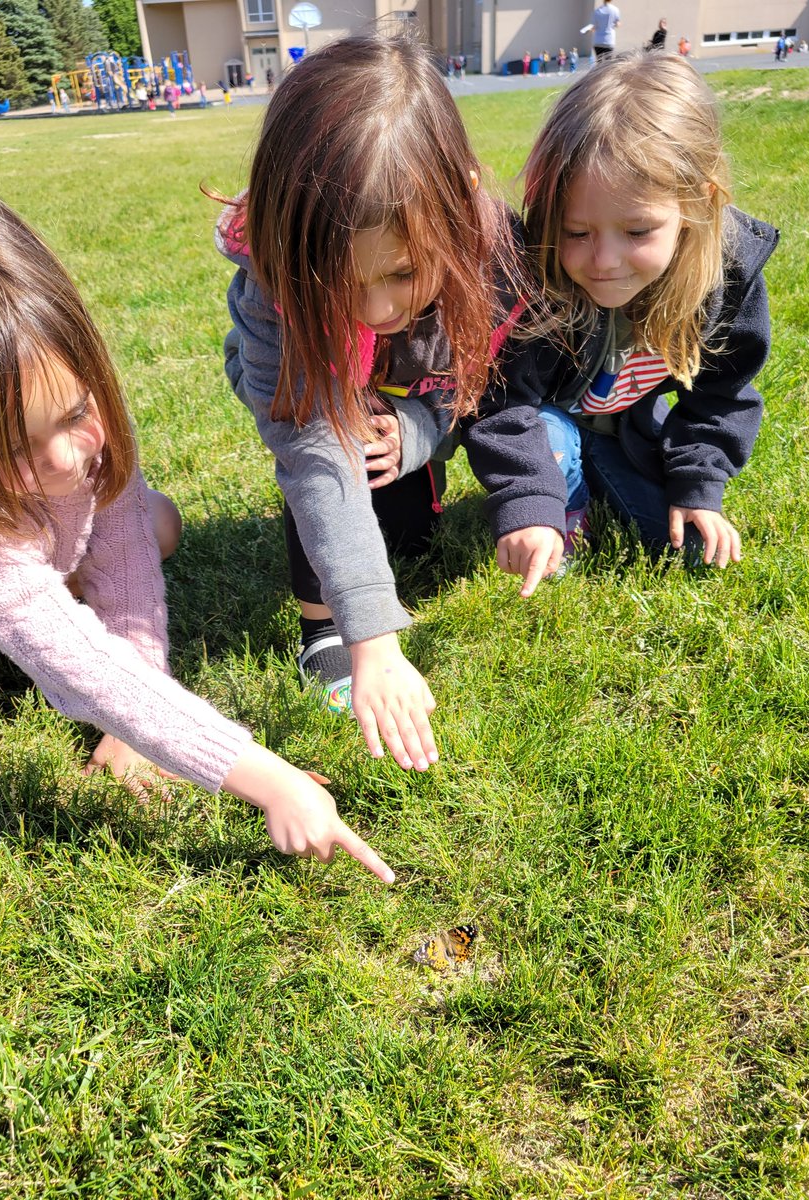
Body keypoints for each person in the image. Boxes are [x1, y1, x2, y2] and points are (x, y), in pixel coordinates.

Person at [0, 175, 393, 885]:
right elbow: (81, 663)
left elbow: (130, 577)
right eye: (14, 449)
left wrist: (132, 716)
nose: (68, 456)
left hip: (32, 566)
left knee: (155, 520)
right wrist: (273, 782)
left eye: (77, 411)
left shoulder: (86, 432)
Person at [217, 34, 562, 770]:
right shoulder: (274, 293)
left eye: (404, 273)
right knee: (328, 478)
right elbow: (313, 451)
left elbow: (480, 388)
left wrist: (418, 432)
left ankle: (396, 471)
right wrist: (368, 635)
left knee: (401, 529)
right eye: (342, 279)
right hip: (302, 391)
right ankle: (321, 630)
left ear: (457, 203)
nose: (376, 308)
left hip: (410, 394)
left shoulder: (491, 256)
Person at [464, 51, 778, 577]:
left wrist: (698, 484)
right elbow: (502, 403)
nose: (604, 262)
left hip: (628, 429)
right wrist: (529, 503)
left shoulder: (726, 273)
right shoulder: (532, 273)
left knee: (684, 551)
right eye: (577, 232)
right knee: (550, 437)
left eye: (637, 232)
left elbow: (722, 395)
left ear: (696, 205)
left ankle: (601, 475)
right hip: (549, 426)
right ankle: (564, 505)